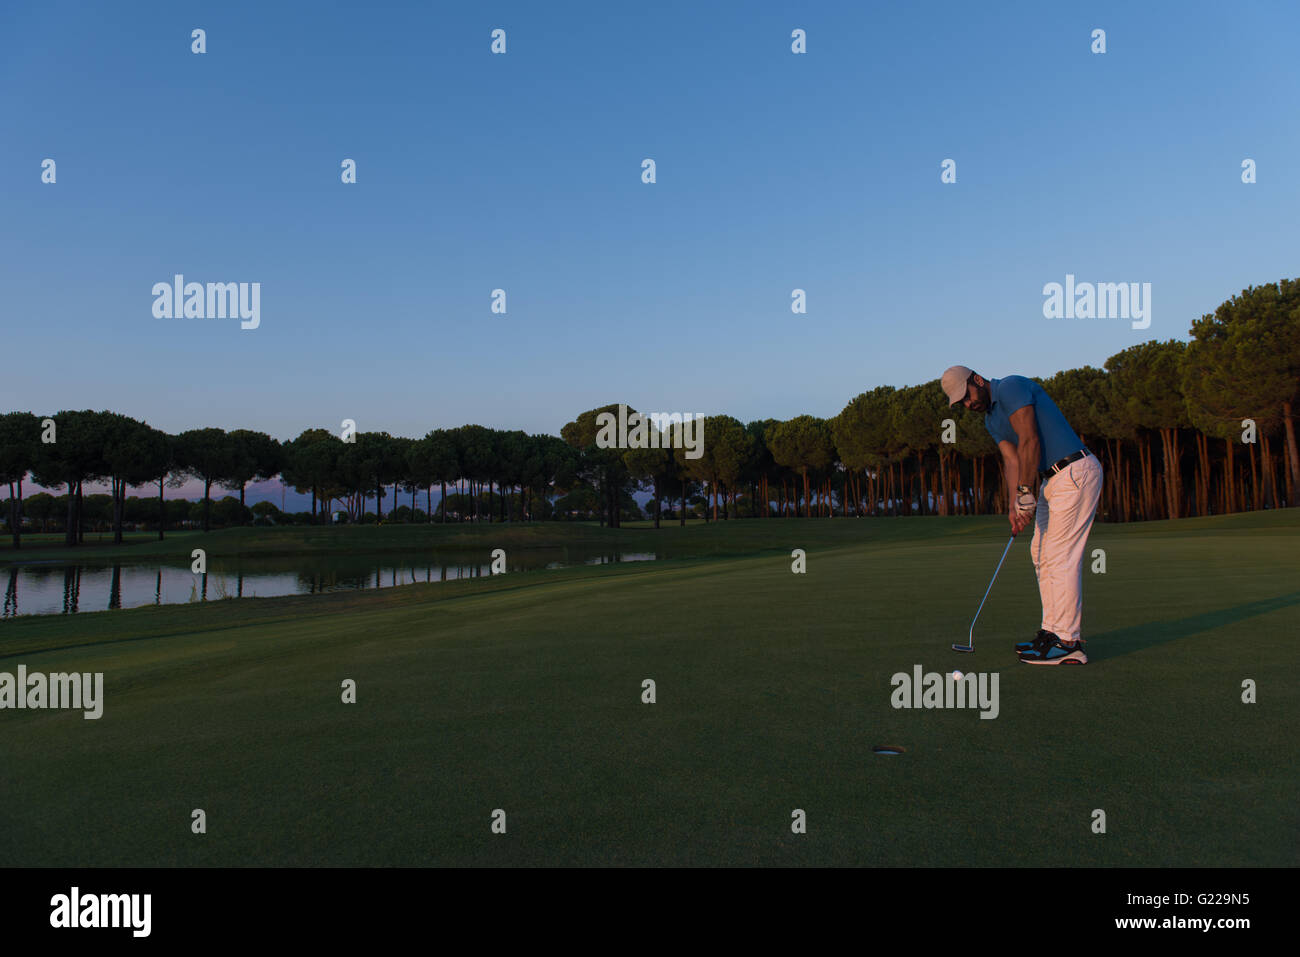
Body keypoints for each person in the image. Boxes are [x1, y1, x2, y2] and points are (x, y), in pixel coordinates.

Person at [941, 366, 1104, 664]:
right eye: (961, 403)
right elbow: (1012, 459)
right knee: (1040, 552)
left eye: (967, 396)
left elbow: (1030, 439)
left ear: (977, 379)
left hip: (1074, 471)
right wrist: (1014, 505)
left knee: (1059, 555)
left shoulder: (1010, 387)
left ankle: (1069, 642)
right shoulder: (991, 419)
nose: (968, 404)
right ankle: (1052, 632)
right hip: (1051, 481)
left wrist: (1026, 492)